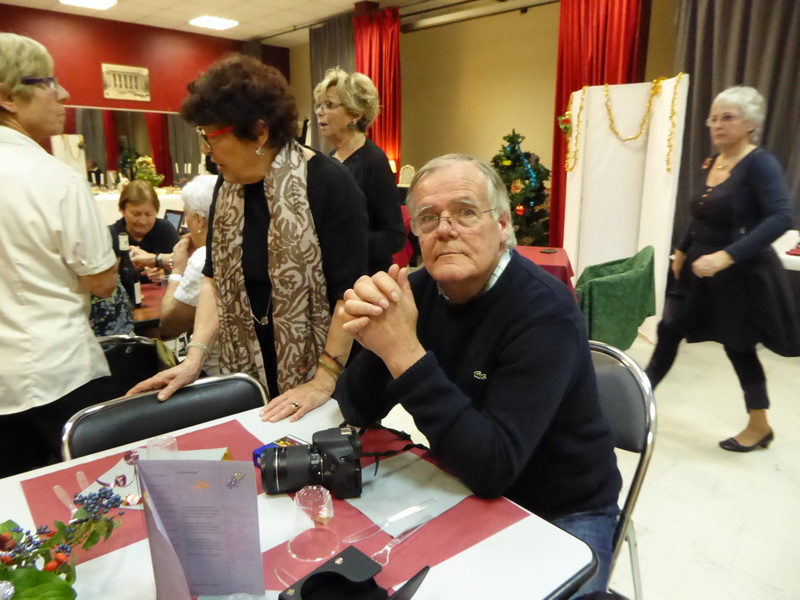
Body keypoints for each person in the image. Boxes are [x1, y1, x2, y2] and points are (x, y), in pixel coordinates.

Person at [334, 154, 621, 595]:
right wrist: (376, 339)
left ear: (503, 225)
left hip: (563, 508)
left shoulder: (544, 312)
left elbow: (493, 468)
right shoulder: (419, 293)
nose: (445, 229)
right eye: (429, 218)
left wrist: (405, 352)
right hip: (460, 480)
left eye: (466, 212)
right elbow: (356, 408)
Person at [129, 54, 368, 423]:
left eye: (210, 136)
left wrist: (322, 381)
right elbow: (214, 279)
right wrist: (195, 357)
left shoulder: (329, 184)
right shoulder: (228, 188)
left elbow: (348, 298)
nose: (205, 150)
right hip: (248, 371)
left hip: (325, 374)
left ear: (259, 132)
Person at [645, 85, 800, 452]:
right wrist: (682, 249)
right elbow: (701, 213)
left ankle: (759, 425)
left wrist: (727, 256)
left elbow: (781, 217)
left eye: (727, 117)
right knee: (669, 330)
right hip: (698, 272)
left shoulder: (759, 163)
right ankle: (638, 400)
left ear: (751, 124)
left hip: (741, 274)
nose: (717, 124)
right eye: (713, 118)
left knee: (738, 347)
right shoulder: (711, 161)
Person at [0, 33, 118, 476]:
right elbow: (102, 282)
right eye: (48, 81)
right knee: (96, 494)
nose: (63, 93)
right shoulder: (54, 178)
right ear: (9, 97)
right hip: (57, 373)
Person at [314, 68, 405, 274]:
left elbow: (394, 236)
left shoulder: (374, 161)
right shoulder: (329, 159)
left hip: (366, 278)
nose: (319, 112)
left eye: (329, 105)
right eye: (319, 105)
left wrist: (345, 243)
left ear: (355, 114)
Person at [158, 175, 220, 373]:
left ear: (199, 220)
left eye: (187, 216)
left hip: (215, 371)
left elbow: (169, 325)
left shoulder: (203, 257)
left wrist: (178, 270)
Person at [116, 180, 181, 281]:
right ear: (122, 210)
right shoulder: (111, 235)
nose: (143, 221)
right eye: (136, 214)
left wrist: (165, 273)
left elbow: (182, 265)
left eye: (148, 214)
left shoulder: (165, 229)